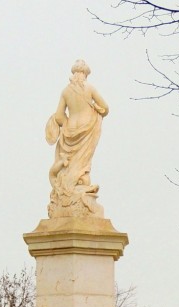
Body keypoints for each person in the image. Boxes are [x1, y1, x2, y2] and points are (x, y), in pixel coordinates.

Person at [46, 60, 109, 216]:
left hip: (70, 129)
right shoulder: (90, 89)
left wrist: (67, 124)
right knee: (81, 163)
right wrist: (95, 109)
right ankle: (75, 186)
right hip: (88, 128)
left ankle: (69, 188)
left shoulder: (66, 92)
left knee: (70, 164)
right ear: (85, 75)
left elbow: (60, 116)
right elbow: (106, 108)